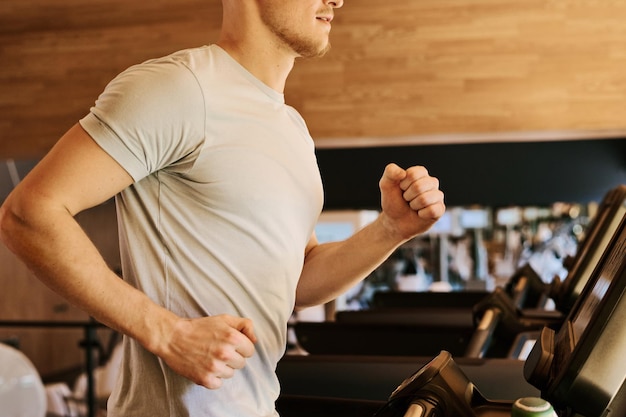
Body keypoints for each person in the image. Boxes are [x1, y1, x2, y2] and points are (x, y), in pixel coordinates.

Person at [0, 0, 445, 415]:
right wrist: (166, 333)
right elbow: (29, 212)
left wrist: (390, 229)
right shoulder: (179, 88)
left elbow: (299, 281)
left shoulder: (291, 127)